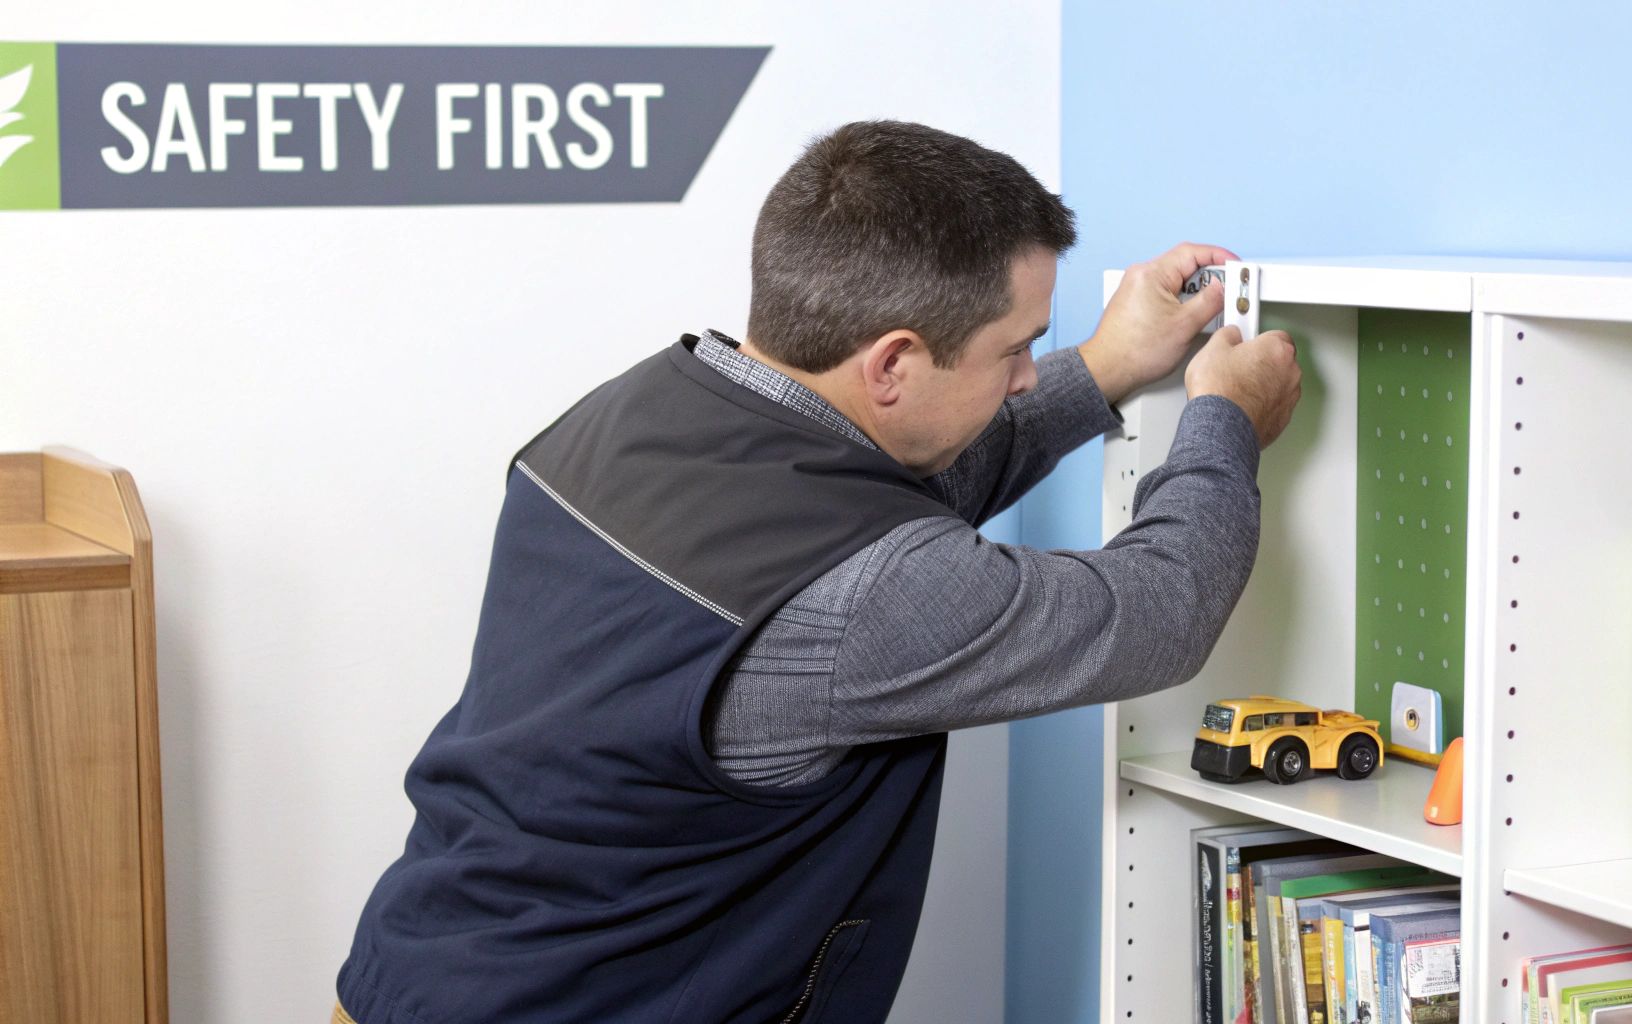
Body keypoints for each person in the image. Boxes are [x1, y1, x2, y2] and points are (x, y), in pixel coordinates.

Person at [333, 119, 1301, 1024]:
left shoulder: (631, 412)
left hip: (409, 971)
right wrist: (1222, 418)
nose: (1021, 375)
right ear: (891, 363)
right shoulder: (868, 596)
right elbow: (1157, 609)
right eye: (1016, 350)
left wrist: (1098, 367)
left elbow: (885, 487)